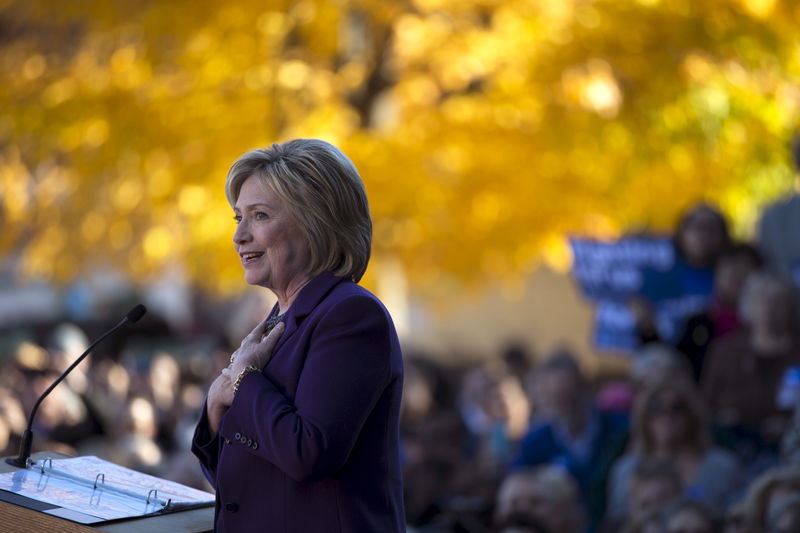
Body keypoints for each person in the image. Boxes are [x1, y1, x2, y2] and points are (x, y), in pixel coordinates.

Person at [191, 139, 405, 532]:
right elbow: (240, 478)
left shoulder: (352, 316)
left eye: (259, 216)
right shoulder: (280, 319)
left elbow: (308, 453)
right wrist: (214, 405)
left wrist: (240, 381)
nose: (239, 236)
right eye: (237, 217)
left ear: (315, 222)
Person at [514, 351, 628, 529]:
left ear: (583, 389)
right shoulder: (535, 441)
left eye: (567, 394)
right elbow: (519, 486)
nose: (561, 402)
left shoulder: (619, 431)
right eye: (553, 396)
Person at [606, 380, 743, 522]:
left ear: (691, 414)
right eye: (655, 409)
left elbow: (736, 520)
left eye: (676, 408)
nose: (666, 417)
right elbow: (618, 524)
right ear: (643, 418)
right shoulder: (625, 471)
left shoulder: (722, 468)